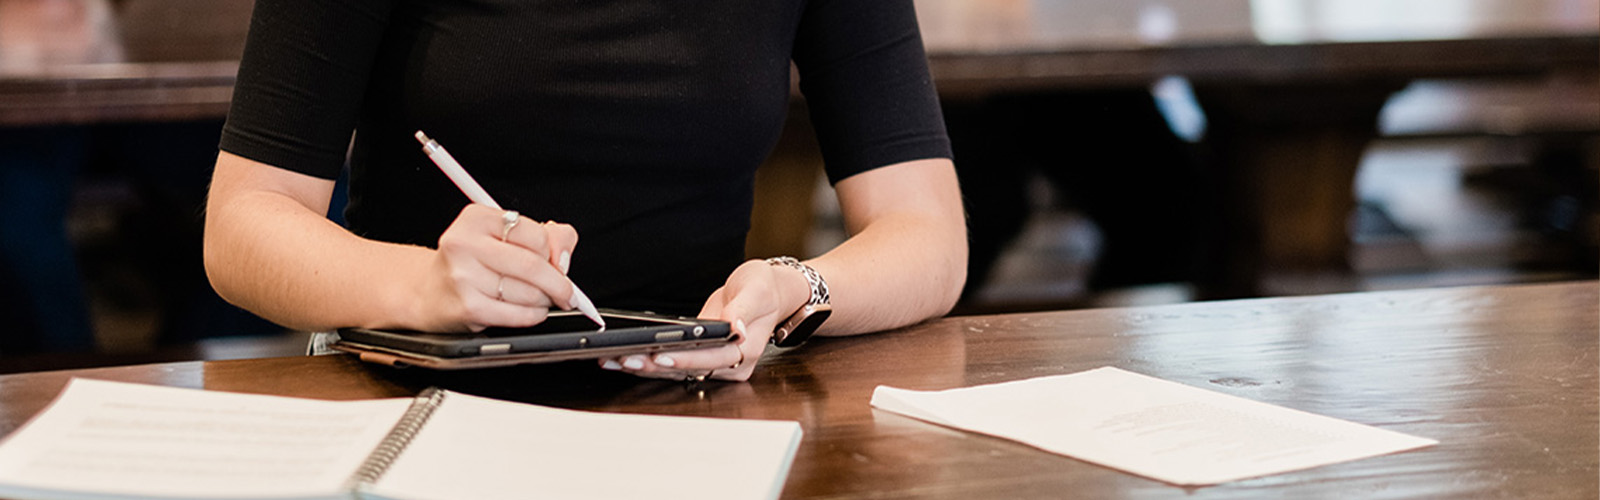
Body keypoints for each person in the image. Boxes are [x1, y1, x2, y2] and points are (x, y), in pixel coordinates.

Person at [203, 0, 966, 382]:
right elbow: (242, 222)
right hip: (415, 384)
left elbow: (927, 232)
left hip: (694, 396)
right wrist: (423, 284)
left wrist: (798, 288)